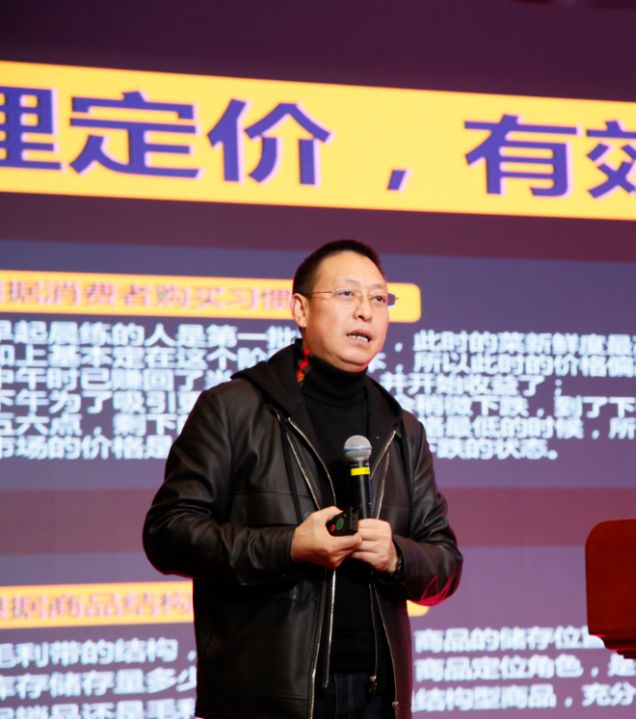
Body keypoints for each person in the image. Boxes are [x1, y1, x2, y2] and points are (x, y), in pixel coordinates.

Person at [143, 240, 462, 719]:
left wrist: (397, 555)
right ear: (300, 310)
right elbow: (168, 535)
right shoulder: (233, 409)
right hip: (268, 695)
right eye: (347, 294)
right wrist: (289, 547)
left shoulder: (401, 429)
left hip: (378, 697)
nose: (366, 312)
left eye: (379, 299)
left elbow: (445, 564)